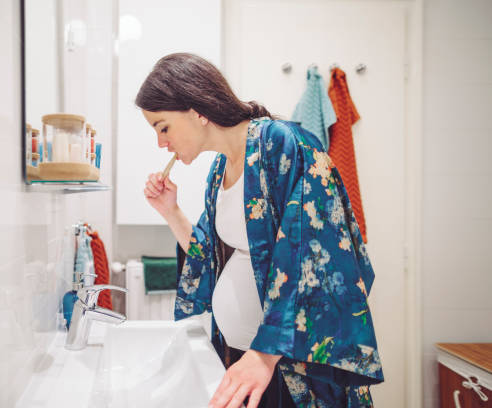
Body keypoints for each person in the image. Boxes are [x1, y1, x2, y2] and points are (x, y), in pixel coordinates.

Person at [137, 53, 384, 408]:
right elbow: (211, 260)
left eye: (163, 127)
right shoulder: (219, 172)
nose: (162, 143)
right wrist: (171, 212)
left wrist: (265, 355)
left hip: (288, 367)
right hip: (247, 360)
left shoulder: (283, 144)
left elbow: (320, 256)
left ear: (196, 110)